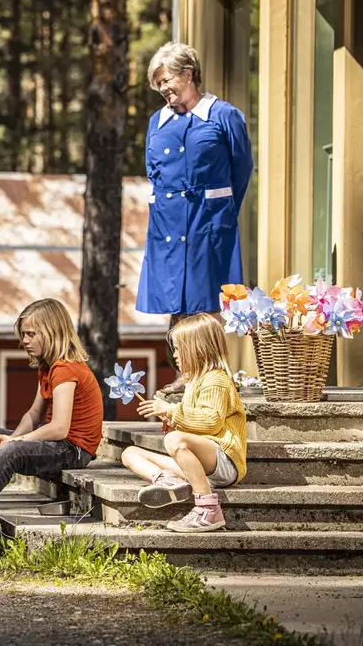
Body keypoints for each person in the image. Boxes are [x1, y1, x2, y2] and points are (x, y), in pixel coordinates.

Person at [137, 42, 253, 393]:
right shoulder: (157, 122)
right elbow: (154, 172)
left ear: (188, 74)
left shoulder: (224, 116)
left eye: (167, 80)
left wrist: (221, 211)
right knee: (176, 301)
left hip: (209, 221)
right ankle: (183, 373)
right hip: (168, 223)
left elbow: (241, 170)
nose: (163, 88)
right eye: (158, 83)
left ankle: (212, 376)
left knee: (207, 300)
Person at [0, 299, 102, 513]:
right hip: (58, 443)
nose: (24, 340)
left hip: (74, 451)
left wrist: (14, 441)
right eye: (23, 334)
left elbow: (59, 428)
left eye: (31, 334)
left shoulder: (66, 369)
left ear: (52, 333)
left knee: (11, 452)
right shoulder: (48, 367)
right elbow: (34, 414)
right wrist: (12, 437)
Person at [121, 313, 247, 532]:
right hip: (203, 465)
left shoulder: (216, 379)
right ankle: (169, 482)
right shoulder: (194, 382)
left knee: (175, 440)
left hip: (224, 461)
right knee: (130, 453)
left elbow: (211, 422)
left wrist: (171, 411)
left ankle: (208, 508)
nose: (175, 355)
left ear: (197, 349)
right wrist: (176, 423)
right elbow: (196, 423)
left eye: (179, 349)